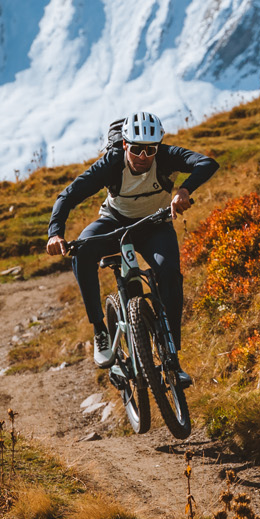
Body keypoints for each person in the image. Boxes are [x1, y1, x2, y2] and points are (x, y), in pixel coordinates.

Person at [46, 112, 218, 385]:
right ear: (125, 145)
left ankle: (172, 358)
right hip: (115, 223)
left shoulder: (166, 157)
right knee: (82, 252)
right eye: (136, 148)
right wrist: (55, 234)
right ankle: (100, 329)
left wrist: (185, 190)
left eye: (150, 149)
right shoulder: (111, 164)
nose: (143, 156)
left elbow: (207, 163)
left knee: (169, 273)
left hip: (155, 226)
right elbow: (68, 196)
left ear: (158, 146)